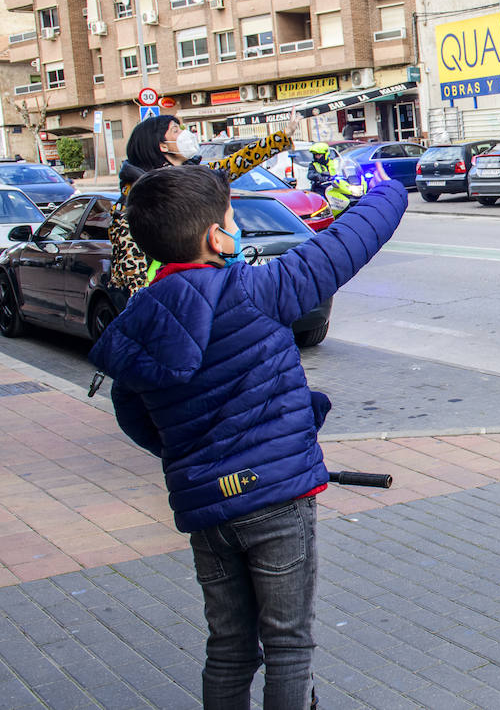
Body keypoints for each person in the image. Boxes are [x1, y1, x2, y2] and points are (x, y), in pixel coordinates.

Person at [88, 165, 407, 710]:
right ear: (217, 237)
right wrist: (391, 186)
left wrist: (193, 450)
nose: (236, 228)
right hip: (276, 502)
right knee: (288, 645)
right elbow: (350, 240)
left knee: (230, 646)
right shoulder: (257, 290)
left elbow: (132, 413)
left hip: (207, 510)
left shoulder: (142, 318)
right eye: (232, 219)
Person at [109, 114, 297, 293]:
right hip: (169, 293)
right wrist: (143, 299)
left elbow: (236, 163)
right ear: (163, 146)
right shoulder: (138, 196)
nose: (184, 134)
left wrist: (281, 137)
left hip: (203, 285)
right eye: (175, 130)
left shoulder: (193, 177)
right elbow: (132, 267)